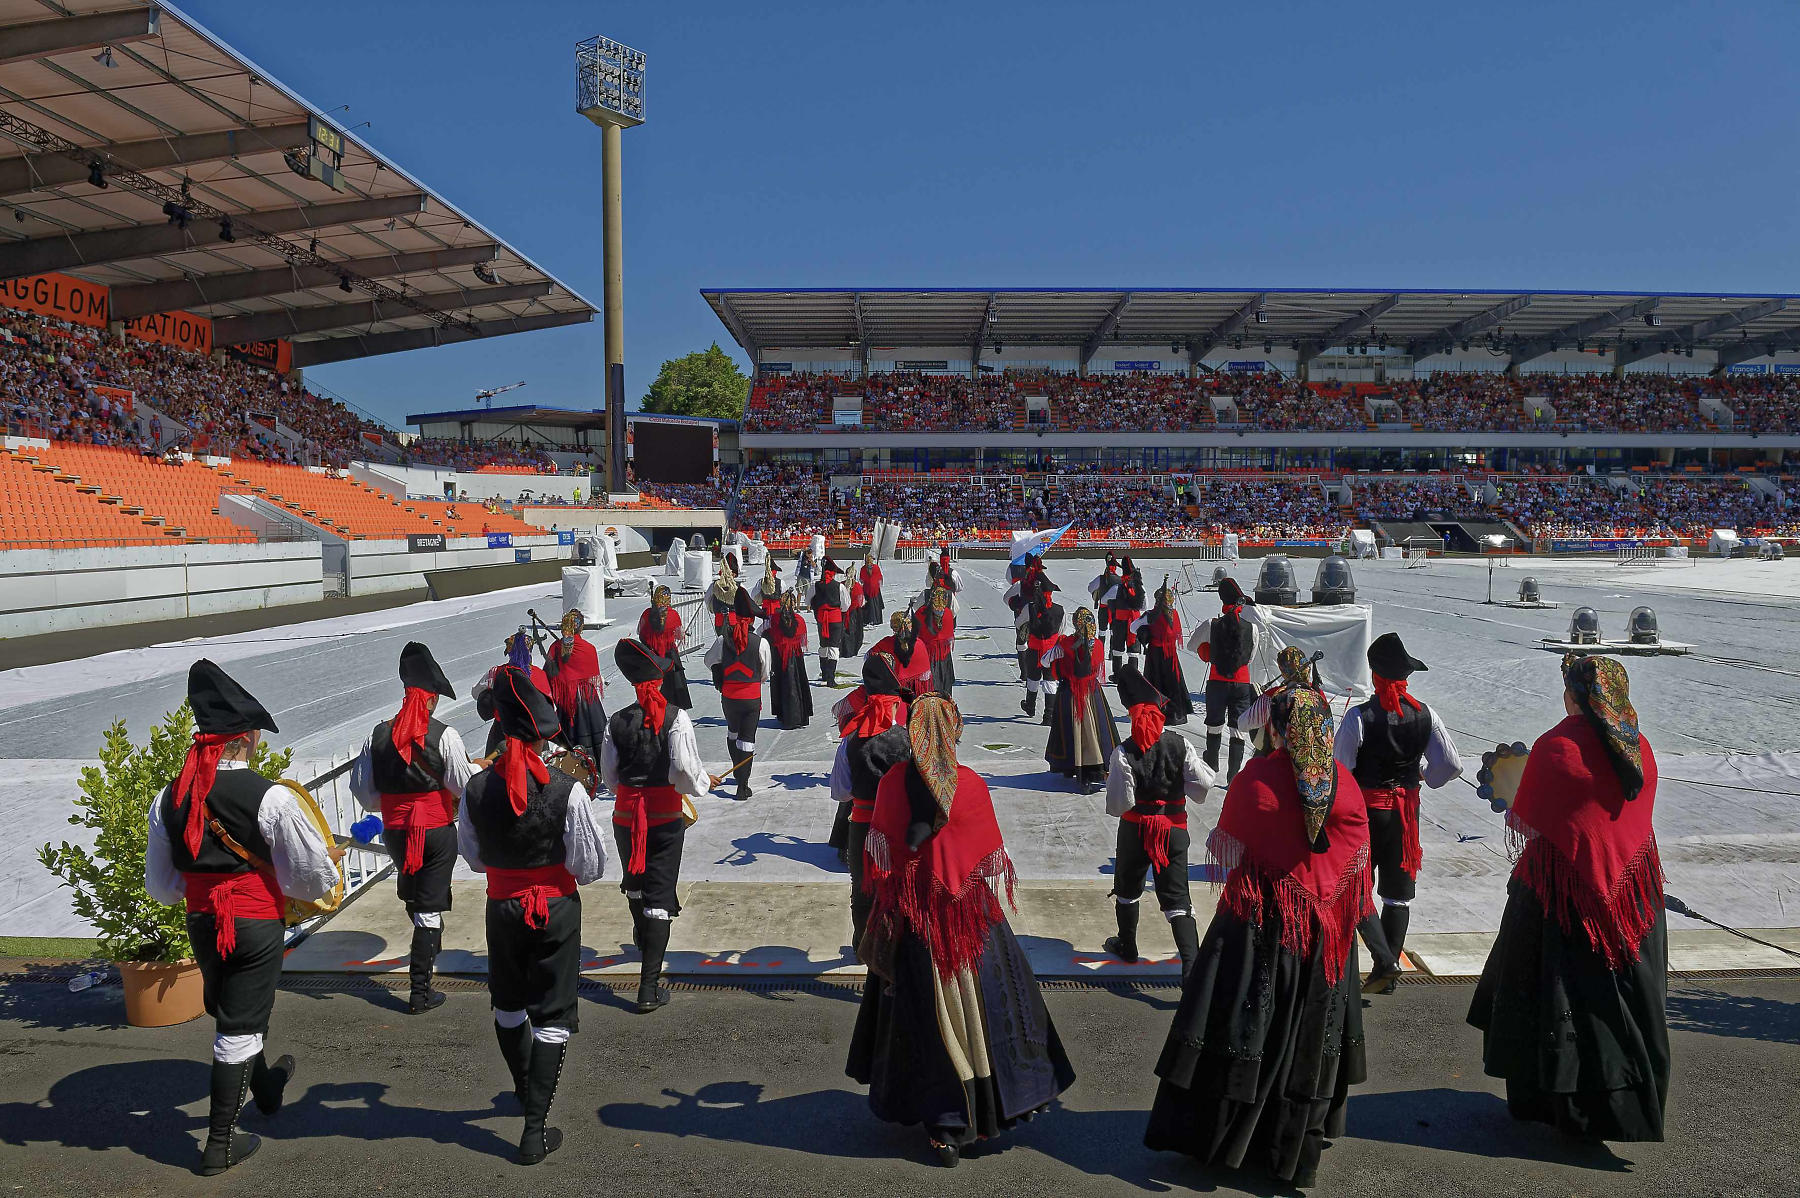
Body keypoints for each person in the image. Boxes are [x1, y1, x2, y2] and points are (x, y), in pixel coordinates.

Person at [1143, 687, 1370, 1190]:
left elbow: (1237, 839)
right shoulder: (1347, 785)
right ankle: (1295, 1137)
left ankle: (1232, 1136)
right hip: (1326, 933)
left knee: (1246, 1024)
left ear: (1279, 727)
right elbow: (1351, 858)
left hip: (1261, 926)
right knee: (1309, 1033)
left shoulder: (1257, 778)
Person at [846, 695, 1076, 1167]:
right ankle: (994, 1104)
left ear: (912, 733)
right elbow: (984, 854)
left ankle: (943, 1128)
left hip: (912, 918)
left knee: (921, 1020)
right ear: (953, 732)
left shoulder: (892, 783)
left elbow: (882, 851)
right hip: (968, 915)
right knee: (988, 1004)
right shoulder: (969, 785)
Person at [144, 660, 341, 1175]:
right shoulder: (271, 796)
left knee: (234, 1011)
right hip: (253, 920)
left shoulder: (170, 797)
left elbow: (163, 888)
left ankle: (268, 1088)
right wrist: (324, 864)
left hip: (202, 921)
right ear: (247, 738)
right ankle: (218, 1145)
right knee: (236, 1027)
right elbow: (309, 882)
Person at [1467, 654, 1668, 1142]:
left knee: (1552, 991)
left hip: (1559, 894)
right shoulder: (1638, 747)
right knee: (1629, 996)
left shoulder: (1555, 747)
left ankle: (1557, 1100)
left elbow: (1532, 820)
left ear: (1575, 696)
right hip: (1633, 894)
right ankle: (1629, 1101)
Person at [457, 665, 608, 1164]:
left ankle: (525, 1091)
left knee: (508, 1004)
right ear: (545, 737)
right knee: (553, 1013)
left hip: (501, 907)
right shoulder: (569, 790)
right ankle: (533, 1127)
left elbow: (475, 858)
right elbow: (589, 867)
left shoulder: (475, 790)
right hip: (555, 910)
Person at [348, 642, 476, 1015]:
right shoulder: (445, 735)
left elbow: (364, 791)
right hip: (436, 830)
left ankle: (427, 944)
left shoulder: (377, 735)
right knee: (429, 908)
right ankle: (420, 991)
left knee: (418, 898)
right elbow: (464, 785)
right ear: (432, 699)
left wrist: (392, 806)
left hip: (397, 831)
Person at [1333, 632, 1462, 994]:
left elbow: (1342, 770)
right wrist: (1422, 776)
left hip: (1364, 815)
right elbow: (1450, 766)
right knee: (1397, 894)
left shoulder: (1359, 717)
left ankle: (1370, 965)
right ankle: (1387, 974)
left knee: (1354, 888)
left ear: (1374, 677)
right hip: (1406, 815)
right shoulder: (1426, 715)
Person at [603, 640, 710, 1014]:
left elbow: (610, 777)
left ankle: (640, 931)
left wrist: (633, 792)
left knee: (635, 881)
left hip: (625, 816)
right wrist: (701, 785)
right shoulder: (676, 717)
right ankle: (648, 988)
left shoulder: (615, 720)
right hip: (664, 817)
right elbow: (684, 769)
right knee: (660, 896)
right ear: (659, 680)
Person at [1103, 664, 1214, 974]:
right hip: (1173, 831)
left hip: (1135, 830)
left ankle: (1127, 946)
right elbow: (1204, 784)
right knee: (1178, 899)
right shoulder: (1182, 744)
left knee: (1127, 889)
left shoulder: (1122, 752)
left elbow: (1118, 804)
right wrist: (1177, 789)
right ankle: (1191, 969)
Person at [827, 652, 913, 953]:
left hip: (862, 823)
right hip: (898, 825)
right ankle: (894, 945)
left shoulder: (851, 737)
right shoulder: (909, 732)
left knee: (862, 889)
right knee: (898, 884)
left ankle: (863, 945)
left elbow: (840, 791)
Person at [704, 588, 770, 800]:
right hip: (751, 697)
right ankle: (743, 784)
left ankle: (737, 768)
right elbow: (765, 671)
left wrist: (721, 671)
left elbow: (709, 660)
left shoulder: (724, 640)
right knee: (747, 739)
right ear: (752, 619)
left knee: (733, 732)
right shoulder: (760, 642)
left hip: (730, 697)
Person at [1043, 607, 1118, 792]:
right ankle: (1099, 766)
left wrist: (1059, 654)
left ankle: (1077, 767)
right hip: (1092, 692)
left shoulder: (1065, 644)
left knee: (1075, 731)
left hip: (1071, 692)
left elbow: (1045, 660)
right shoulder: (1099, 645)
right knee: (1098, 728)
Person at [1191, 578, 1258, 782]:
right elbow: (1250, 658)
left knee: (1214, 725)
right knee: (1237, 730)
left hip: (1217, 681)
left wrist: (1207, 652)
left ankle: (1211, 766)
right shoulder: (1252, 628)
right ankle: (1233, 776)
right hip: (1241, 683)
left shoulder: (1211, 624)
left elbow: (1192, 645)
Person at [545, 609, 606, 766]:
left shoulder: (554, 648)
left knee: (568, 737)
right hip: (587, 699)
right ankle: (596, 765)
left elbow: (549, 675)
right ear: (581, 627)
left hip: (565, 701)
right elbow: (593, 676)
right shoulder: (589, 648)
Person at [1132, 577, 1193, 725]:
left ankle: (1157, 712)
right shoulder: (1174, 614)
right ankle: (1176, 714)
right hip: (1171, 656)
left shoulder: (1151, 615)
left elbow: (1133, 627)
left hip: (1156, 655)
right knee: (1173, 682)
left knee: (1156, 683)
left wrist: (1145, 630)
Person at [637, 585, 692, 710]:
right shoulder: (673, 615)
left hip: (651, 655)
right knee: (673, 687)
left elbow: (641, 634)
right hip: (669, 655)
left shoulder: (646, 614)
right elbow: (679, 636)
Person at [767, 590, 815, 730]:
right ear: (793, 604)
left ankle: (785, 716)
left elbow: (766, 633)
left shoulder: (774, 619)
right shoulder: (799, 620)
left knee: (783, 685)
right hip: (795, 654)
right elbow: (802, 639)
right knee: (797, 685)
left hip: (780, 655)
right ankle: (800, 715)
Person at [1019, 577, 1064, 726]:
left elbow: (1018, 623)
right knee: (1050, 680)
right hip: (1051, 651)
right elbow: (1062, 629)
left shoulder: (1030, 608)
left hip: (1034, 649)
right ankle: (1049, 715)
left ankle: (1030, 706)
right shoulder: (1060, 610)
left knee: (1033, 678)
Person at [868, 609, 934, 699]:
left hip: (895, 691)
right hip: (917, 691)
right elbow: (925, 677)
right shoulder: (919, 643)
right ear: (910, 626)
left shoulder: (886, 642)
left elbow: (870, 656)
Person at [811, 557, 851, 687]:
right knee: (833, 646)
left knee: (823, 644)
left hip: (821, 618)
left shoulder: (815, 585)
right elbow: (846, 605)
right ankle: (830, 677)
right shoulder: (839, 586)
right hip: (835, 618)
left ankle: (825, 674)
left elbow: (808, 601)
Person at [1108, 555, 1147, 674]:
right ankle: (1133, 675)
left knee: (1117, 649)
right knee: (1133, 650)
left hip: (1119, 621)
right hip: (1134, 621)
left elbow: (1104, 600)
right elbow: (1144, 606)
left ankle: (1117, 674)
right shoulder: (1141, 588)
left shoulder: (1117, 587)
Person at [916, 584, 957, 697]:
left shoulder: (922, 612)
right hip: (944, 656)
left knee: (929, 687)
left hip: (928, 656)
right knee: (944, 685)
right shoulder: (948, 613)